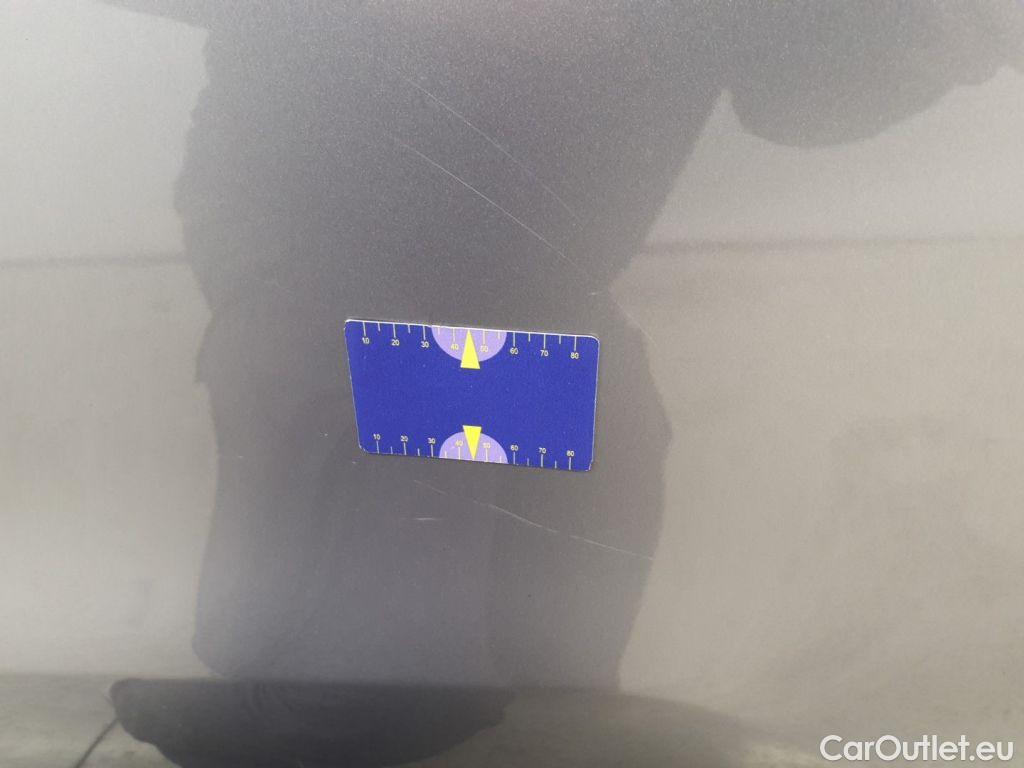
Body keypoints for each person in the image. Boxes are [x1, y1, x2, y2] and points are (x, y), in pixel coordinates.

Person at [105, 1, 1022, 764]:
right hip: (326, 221)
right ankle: (306, 704)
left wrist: (930, 49)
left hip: (527, 268)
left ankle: (440, 701)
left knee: (585, 535)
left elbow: (786, 96)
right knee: (405, 517)